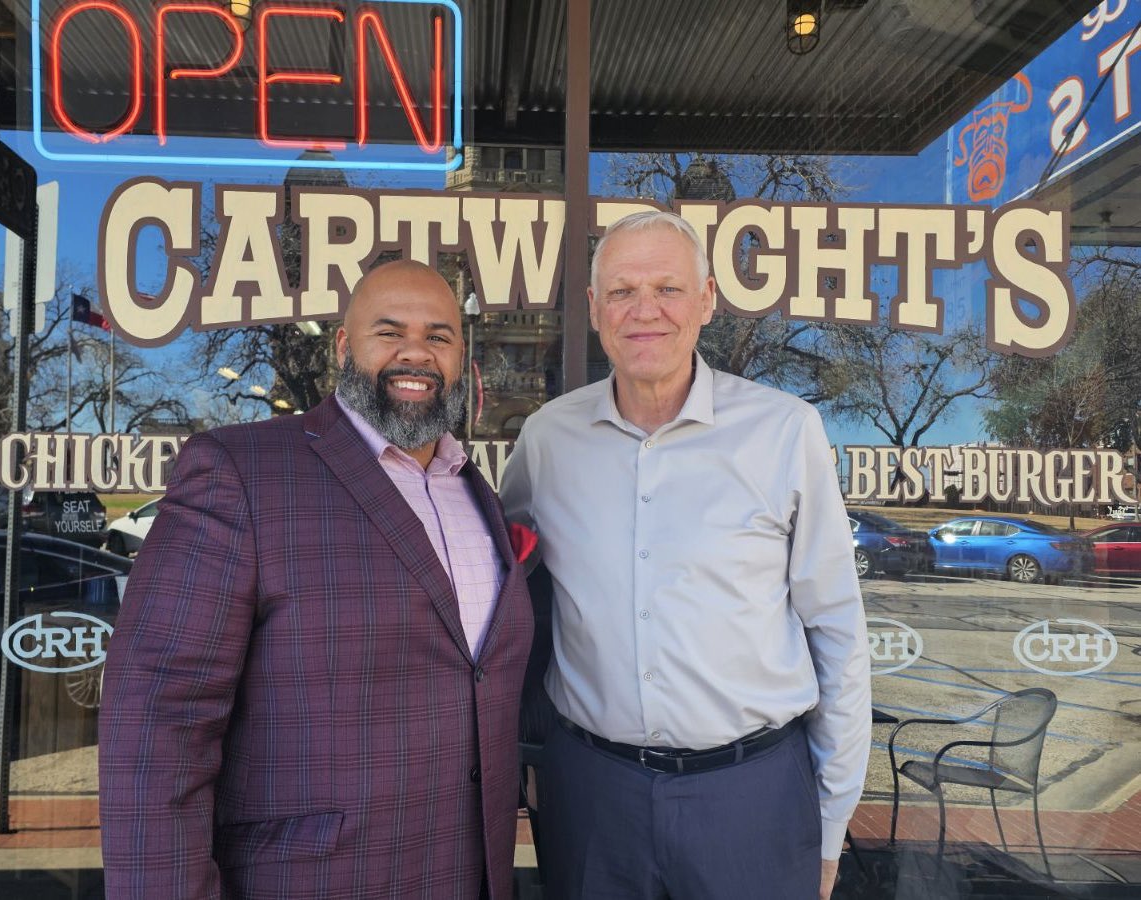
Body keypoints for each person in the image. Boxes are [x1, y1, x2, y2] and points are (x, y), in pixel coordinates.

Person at [100, 259, 534, 900]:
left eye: (439, 336)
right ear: (342, 346)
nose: (416, 352)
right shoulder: (240, 471)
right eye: (389, 332)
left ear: (460, 358)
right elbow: (159, 721)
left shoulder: (476, 493)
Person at [500, 211, 871, 900]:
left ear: (706, 300)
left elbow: (838, 634)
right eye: (621, 291)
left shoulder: (785, 432)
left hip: (751, 798)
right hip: (591, 794)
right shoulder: (548, 440)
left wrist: (830, 823)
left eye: (668, 288)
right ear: (593, 308)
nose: (645, 311)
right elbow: (499, 580)